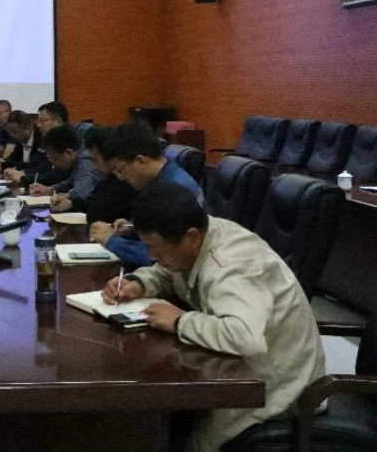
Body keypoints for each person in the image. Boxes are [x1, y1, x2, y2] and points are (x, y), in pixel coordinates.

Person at [100, 184, 325, 451]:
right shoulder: (200, 236)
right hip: (238, 368)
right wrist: (138, 283)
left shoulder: (231, 264)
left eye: (157, 249)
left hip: (280, 388)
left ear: (192, 236)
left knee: (186, 440)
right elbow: (171, 271)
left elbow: (245, 338)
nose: (152, 257)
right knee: (155, 421)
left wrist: (179, 321)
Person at [90, 121, 204, 266]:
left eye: (120, 170)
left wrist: (111, 241)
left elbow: (160, 257)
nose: (121, 177)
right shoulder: (161, 178)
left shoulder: (174, 190)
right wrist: (132, 228)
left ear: (140, 161)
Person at [50, 126, 136, 225]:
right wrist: (70, 204)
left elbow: (97, 213)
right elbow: (91, 201)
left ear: (110, 158)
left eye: (94, 160)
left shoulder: (126, 183)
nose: (93, 167)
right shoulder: (108, 180)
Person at [28, 124, 99, 203]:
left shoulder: (85, 161)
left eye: (54, 158)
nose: (53, 164)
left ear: (68, 152)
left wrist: (66, 196)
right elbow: (70, 182)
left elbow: (82, 193)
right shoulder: (78, 157)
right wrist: (49, 190)